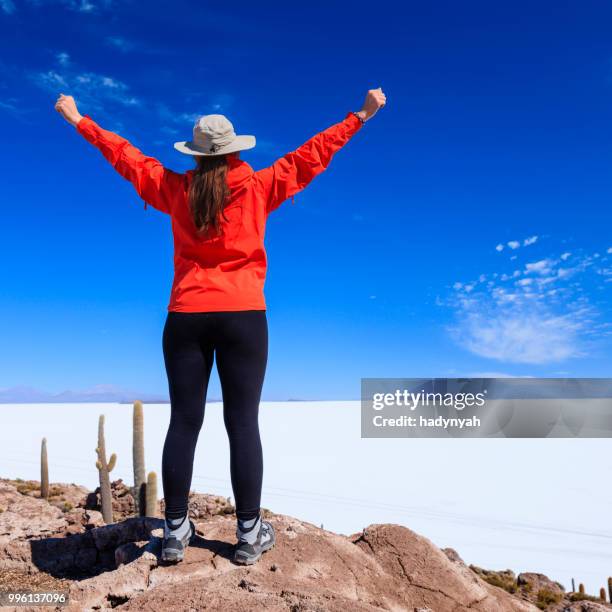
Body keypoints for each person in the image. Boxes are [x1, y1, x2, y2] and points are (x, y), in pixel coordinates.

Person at [55, 87, 386, 565]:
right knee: (242, 422)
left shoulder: (174, 189)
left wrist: (79, 120)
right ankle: (249, 534)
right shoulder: (260, 185)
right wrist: (362, 115)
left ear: (196, 155)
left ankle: (173, 533)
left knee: (184, 422)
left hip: (186, 316)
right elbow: (314, 154)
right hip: (245, 316)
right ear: (234, 151)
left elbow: (125, 157)